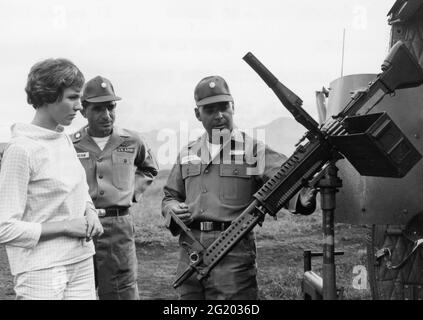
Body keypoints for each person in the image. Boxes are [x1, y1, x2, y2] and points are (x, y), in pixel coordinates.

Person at [162, 75, 317, 300]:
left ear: (233, 107)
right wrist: (172, 209)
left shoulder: (255, 151)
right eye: (210, 110)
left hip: (233, 254)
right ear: (198, 114)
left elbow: (288, 180)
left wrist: (303, 199)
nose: (219, 115)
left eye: (224, 107)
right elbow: (169, 196)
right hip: (190, 253)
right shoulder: (187, 153)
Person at [0, 58, 104, 300]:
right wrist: (67, 226)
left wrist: (89, 211)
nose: (80, 106)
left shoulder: (64, 140)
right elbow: (4, 228)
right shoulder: (21, 150)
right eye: (72, 97)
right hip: (41, 271)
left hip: (81, 260)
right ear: (48, 96)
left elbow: (78, 192)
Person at [72, 75, 159, 300]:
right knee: (79, 290)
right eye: (98, 109)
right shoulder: (70, 144)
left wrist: (132, 193)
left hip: (118, 228)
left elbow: (149, 169)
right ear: (83, 110)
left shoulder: (131, 140)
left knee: (122, 290)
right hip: (81, 228)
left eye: (111, 107)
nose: (107, 115)